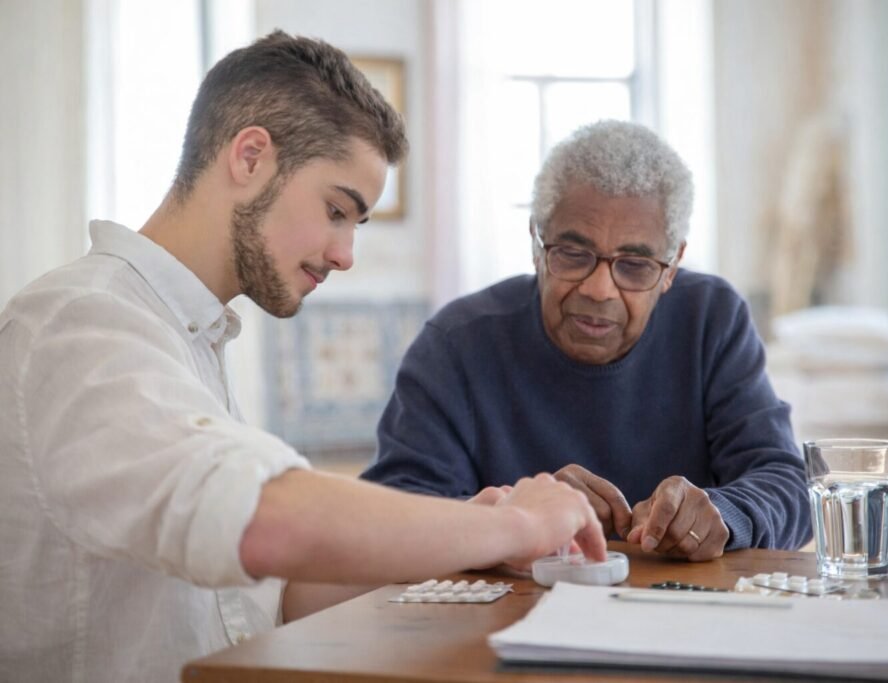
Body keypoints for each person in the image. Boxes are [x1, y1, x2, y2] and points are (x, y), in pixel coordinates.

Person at [0, 31, 604, 683]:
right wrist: (513, 527)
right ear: (251, 156)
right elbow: (265, 521)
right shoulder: (81, 321)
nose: (346, 254)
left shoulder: (187, 334)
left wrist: (462, 531)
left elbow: (273, 591)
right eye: (336, 209)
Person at [363, 120, 812, 560]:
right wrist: (514, 519)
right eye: (574, 255)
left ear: (672, 266)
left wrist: (725, 512)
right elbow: (395, 517)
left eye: (635, 265)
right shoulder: (456, 345)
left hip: (683, 614)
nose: (600, 289)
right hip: (504, 622)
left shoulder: (710, 319)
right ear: (537, 245)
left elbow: (787, 483)